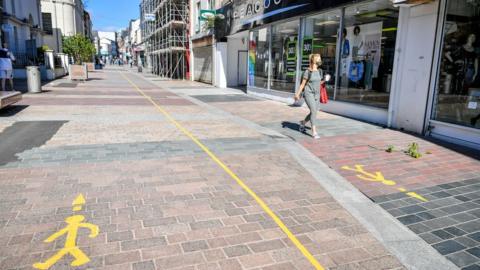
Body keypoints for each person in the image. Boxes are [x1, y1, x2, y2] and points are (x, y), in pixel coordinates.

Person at [294, 54, 330, 139]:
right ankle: (314, 132)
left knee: (313, 112)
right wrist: (297, 94)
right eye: (319, 59)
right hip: (308, 93)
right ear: (314, 60)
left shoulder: (319, 71)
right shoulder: (308, 72)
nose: (320, 60)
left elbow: (318, 83)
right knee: (314, 110)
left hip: (316, 95)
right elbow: (303, 84)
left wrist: (324, 80)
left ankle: (303, 123)